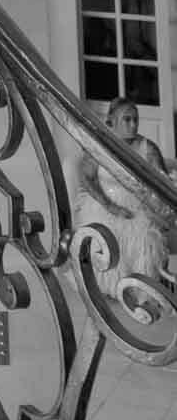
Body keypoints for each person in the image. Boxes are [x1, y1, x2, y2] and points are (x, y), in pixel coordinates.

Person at [75, 96, 176, 310]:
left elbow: (161, 184)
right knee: (107, 236)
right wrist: (109, 206)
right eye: (127, 119)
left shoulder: (148, 148)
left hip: (138, 206)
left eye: (135, 120)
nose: (133, 124)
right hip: (106, 203)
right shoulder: (99, 144)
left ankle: (140, 293)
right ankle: (108, 295)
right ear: (112, 121)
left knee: (146, 238)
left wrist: (155, 211)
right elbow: (86, 177)